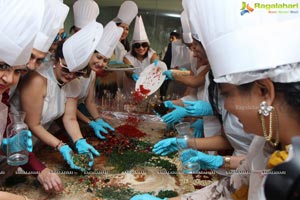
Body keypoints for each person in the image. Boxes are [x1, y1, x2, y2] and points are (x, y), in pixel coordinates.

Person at [130, 0, 300, 199]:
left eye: (227, 94)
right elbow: (227, 190)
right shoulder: (264, 142)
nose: (224, 106)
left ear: (264, 91)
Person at [11, 21, 103, 172]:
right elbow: (33, 124)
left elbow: (70, 118)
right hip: (16, 143)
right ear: (55, 59)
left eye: (78, 73)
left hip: (41, 142)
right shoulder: (37, 80)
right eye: (66, 68)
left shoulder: (75, 84)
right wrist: (61, 146)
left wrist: (79, 141)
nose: (71, 76)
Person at [0, 0, 64, 199]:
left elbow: (10, 135)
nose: (9, 79)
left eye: (17, 71)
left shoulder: (3, 97)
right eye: (2, 66)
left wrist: (41, 170)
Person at [77, 21, 123, 139]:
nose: (101, 63)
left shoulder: (92, 73)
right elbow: (66, 107)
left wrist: (98, 119)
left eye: (106, 60)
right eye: (99, 57)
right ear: (91, 52)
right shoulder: (74, 72)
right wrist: (90, 122)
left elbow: (90, 101)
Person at [123, 15, 158, 94]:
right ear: (133, 46)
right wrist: (132, 74)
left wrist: (156, 63)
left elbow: (154, 60)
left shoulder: (152, 54)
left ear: (148, 45)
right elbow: (128, 69)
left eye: (144, 45)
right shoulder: (127, 57)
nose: (141, 48)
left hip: (149, 88)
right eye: (137, 45)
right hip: (132, 89)